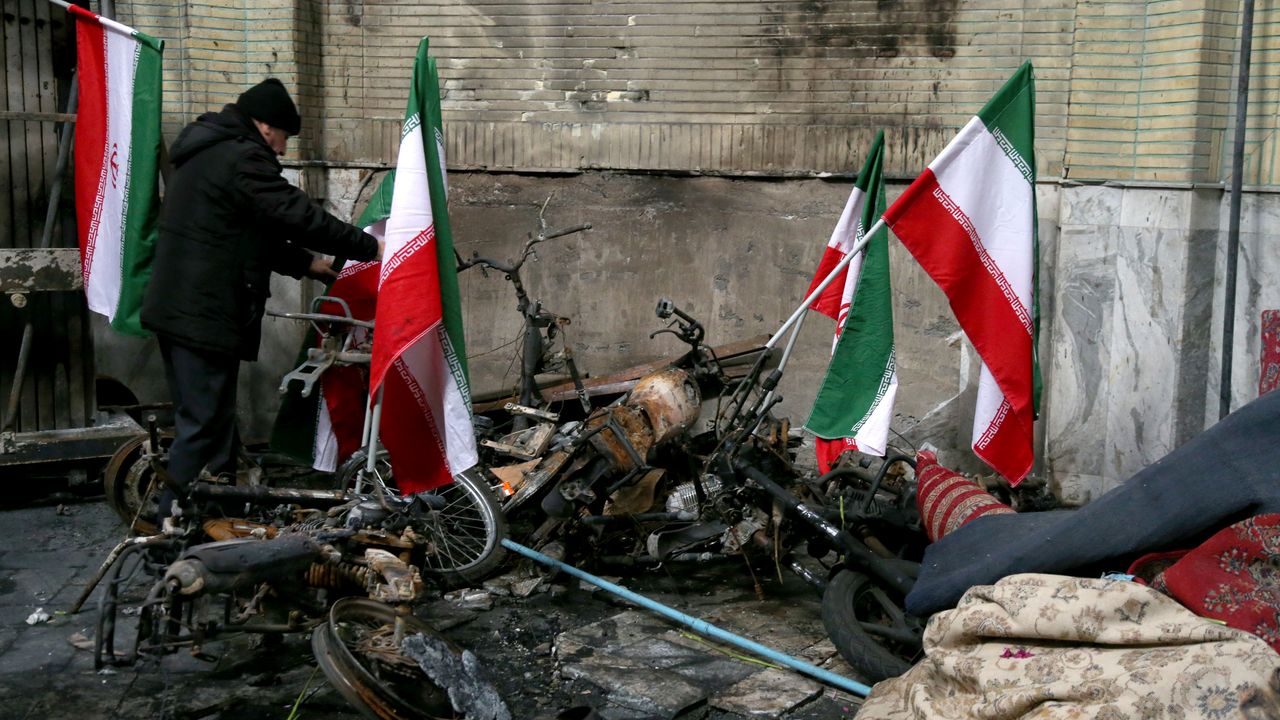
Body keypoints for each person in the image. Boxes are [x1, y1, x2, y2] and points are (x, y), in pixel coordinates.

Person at [140, 78, 383, 519]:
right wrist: (370, 247)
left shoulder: (207, 152)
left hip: (181, 308)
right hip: (203, 312)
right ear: (265, 125)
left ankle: (216, 514)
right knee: (203, 423)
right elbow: (295, 214)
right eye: (284, 137)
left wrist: (306, 264)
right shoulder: (240, 157)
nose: (284, 149)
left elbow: (241, 232)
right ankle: (172, 524)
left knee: (209, 418)